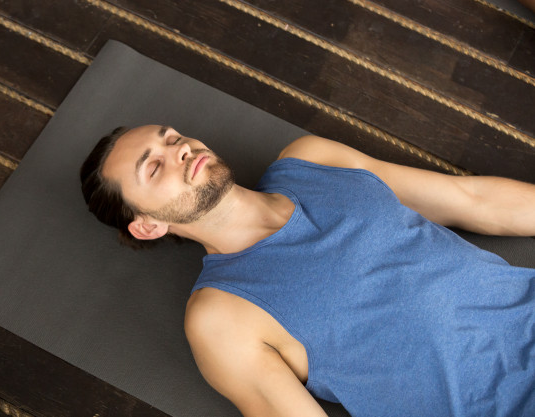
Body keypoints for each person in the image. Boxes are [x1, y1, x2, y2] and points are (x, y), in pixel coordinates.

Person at [80, 124, 535, 417]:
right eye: (154, 167)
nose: (178, 150)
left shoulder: (311, 158)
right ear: (148, 226)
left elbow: (473, 201)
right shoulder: (220, 317)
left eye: (170, 137)